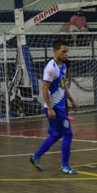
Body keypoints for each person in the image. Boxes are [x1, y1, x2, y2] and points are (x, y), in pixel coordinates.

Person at [29, 39, 78, 174]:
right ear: (55, 51)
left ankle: (36, 156)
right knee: (68, 134)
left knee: (56, 135)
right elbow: (44, 88)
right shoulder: (51, 68)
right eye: (63, 51)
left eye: (67, 51)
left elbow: (62, 87)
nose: (66, 54)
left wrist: (72, 100)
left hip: (59, 106)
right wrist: (50, 108)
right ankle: (65, 166)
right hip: (55, 107)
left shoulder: (62, 66)